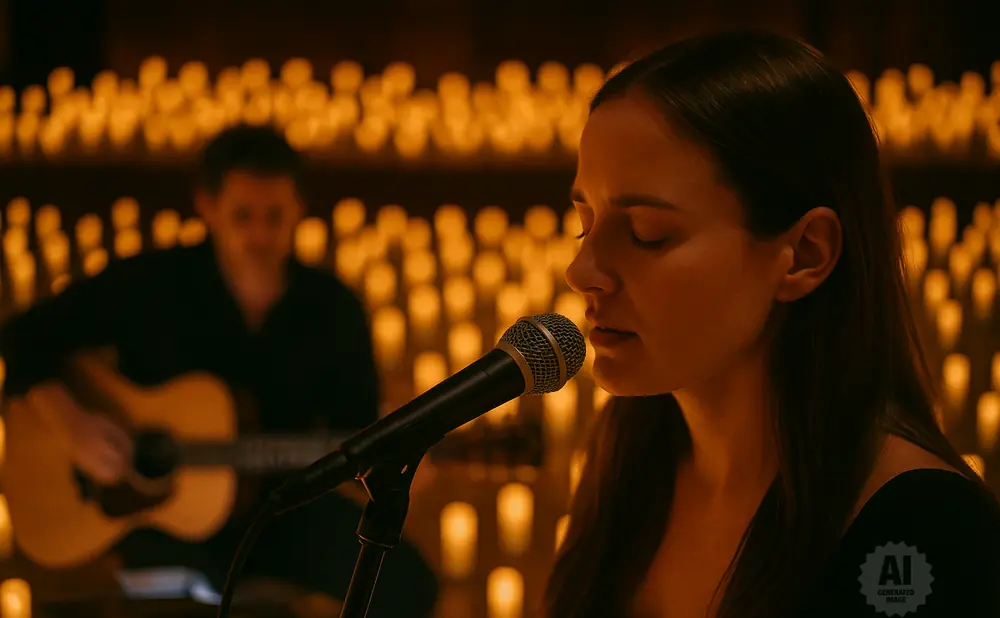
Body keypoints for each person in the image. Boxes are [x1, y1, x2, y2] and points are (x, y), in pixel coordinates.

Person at [546, 31, 1000, 618]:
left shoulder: (924, 530)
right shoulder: (629, 457)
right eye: (584, 223)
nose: (581, 270)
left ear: (806, 253)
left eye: (646, 233)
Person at [0, 125, 438, 617]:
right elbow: (22, 335)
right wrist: (72, 424)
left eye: (275, 216)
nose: (260, 234)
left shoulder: (334, 308)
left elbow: (352, 428)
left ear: (299, 208)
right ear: (207, 207)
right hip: (159, 522)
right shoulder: (151, 283)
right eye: (242, 215)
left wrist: (391, 461)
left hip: (283, 512)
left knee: (407, 585)